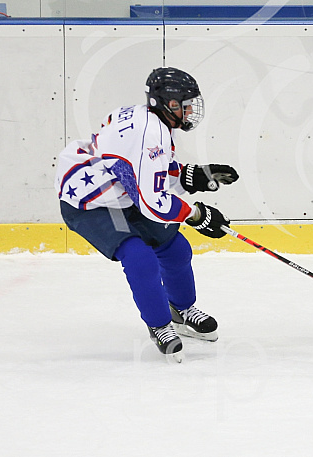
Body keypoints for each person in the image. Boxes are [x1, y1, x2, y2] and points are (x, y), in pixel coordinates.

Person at [55, 67, 239, 362]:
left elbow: (148, 174)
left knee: (176, 249)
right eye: (185, 104)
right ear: (166, 103)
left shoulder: (150, 120)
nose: (191, 110)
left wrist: (193, 176)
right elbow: (153, 202)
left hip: (124, 193)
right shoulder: (149, 133)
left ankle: (181, 310)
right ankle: (160, 325)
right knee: (139, 257)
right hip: (92, 202)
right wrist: (196, 215)